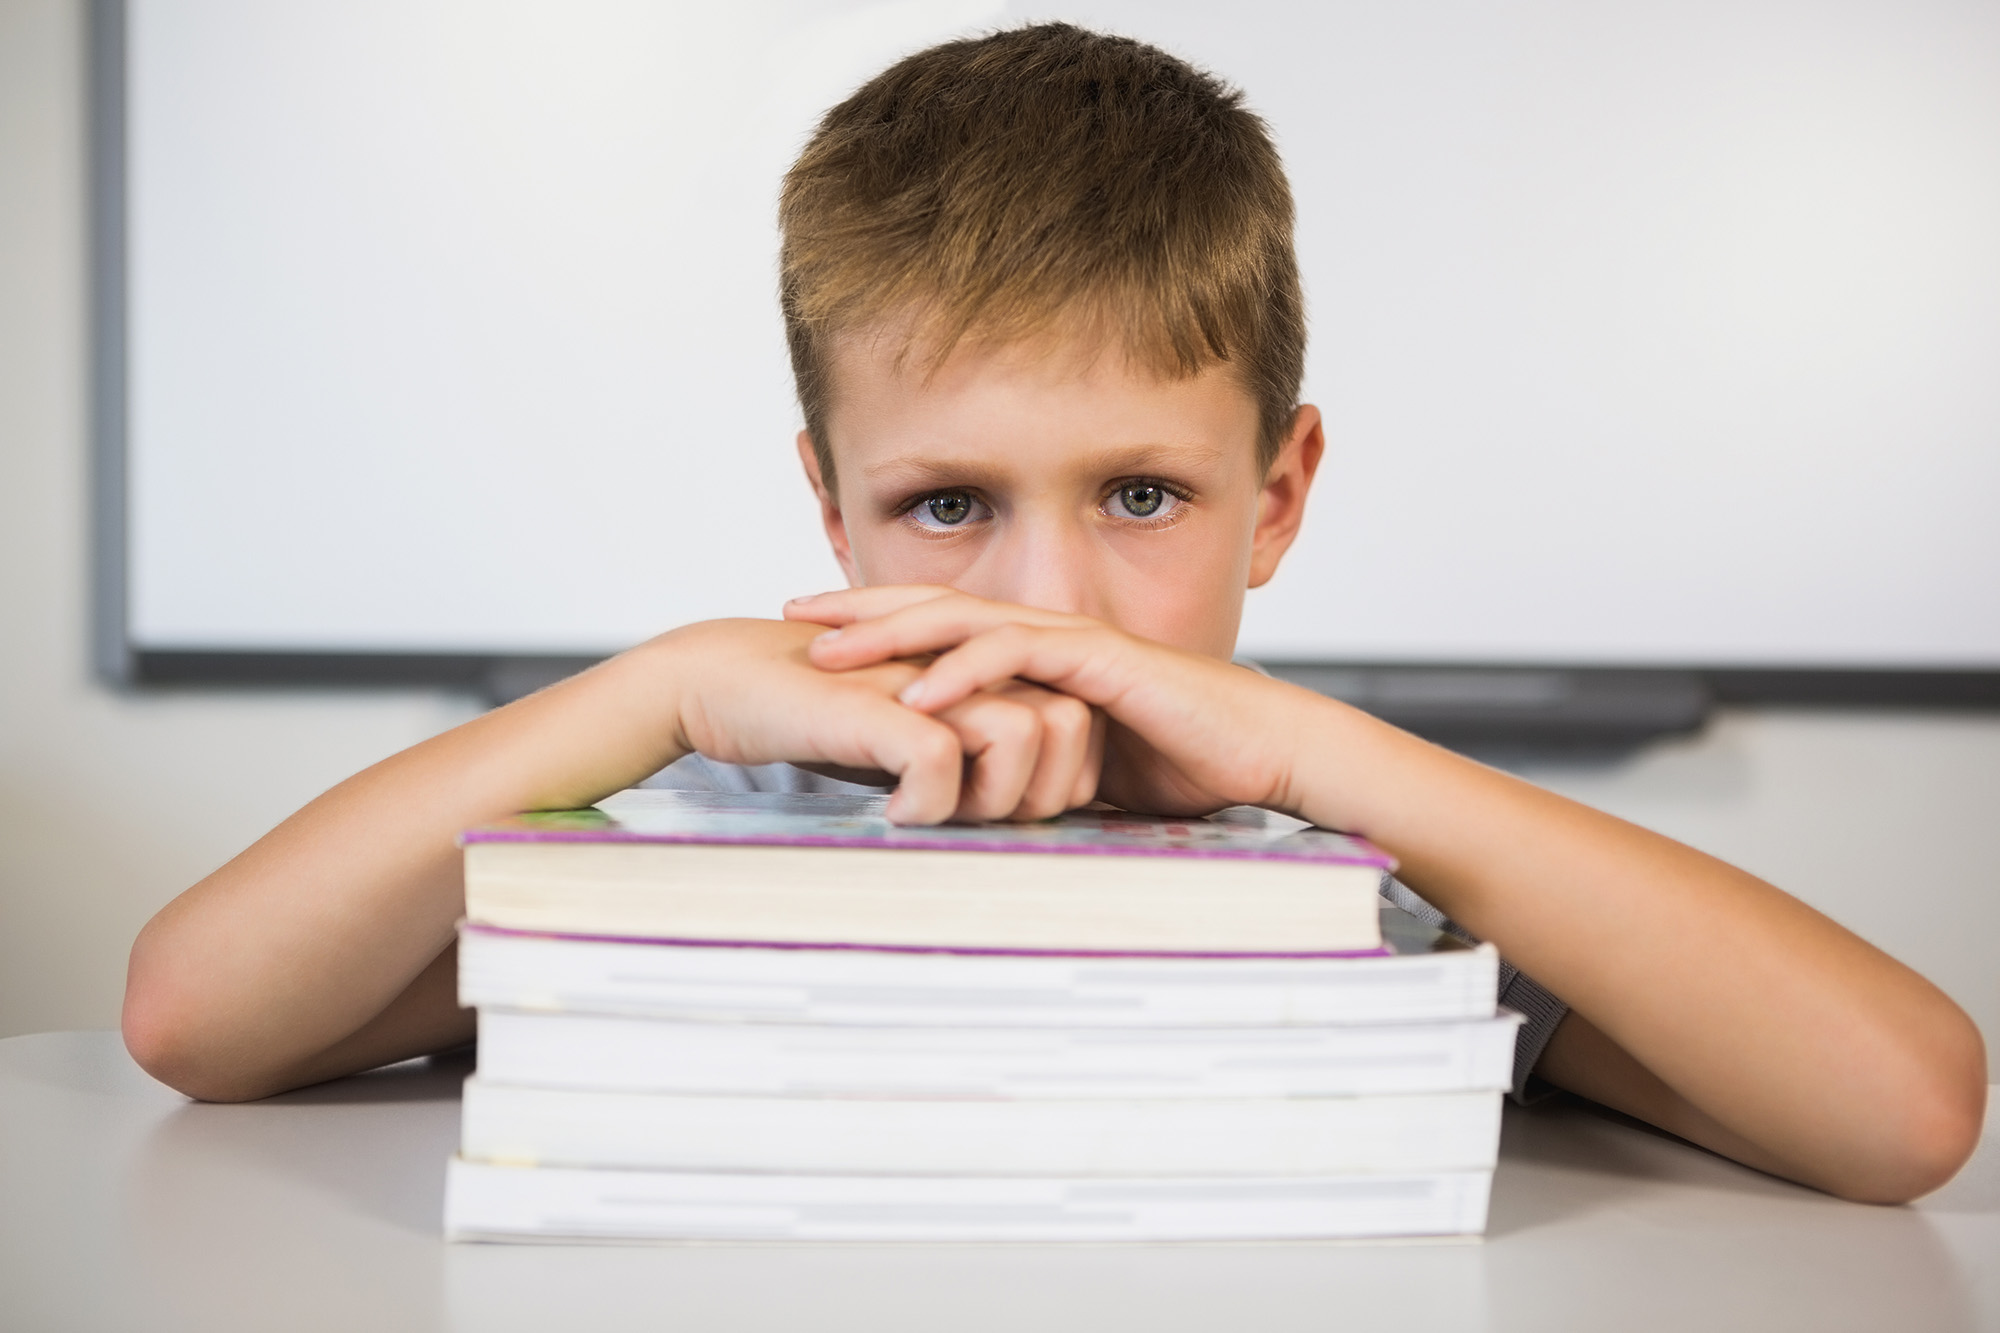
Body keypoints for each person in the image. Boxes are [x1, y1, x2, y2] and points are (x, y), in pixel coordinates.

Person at [121, 22, 1983, 1204]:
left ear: (1281, 496)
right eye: (946, 507)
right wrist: (665, 687)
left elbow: (1902, 1113)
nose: (1048, 602)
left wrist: (1329, 757)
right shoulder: (697, 841)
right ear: (827, 511)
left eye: (1145, 496)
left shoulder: (1369, 875)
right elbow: (193, 1015)